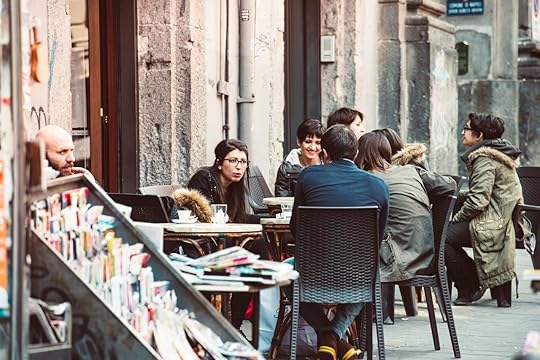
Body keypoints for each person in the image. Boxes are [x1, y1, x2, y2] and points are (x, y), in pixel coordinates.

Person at [290, 125, 389, 360]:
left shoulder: (308, 176)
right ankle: (334, 337)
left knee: (285, 274)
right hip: (360, 272)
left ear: (325, 152)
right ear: (356, 153)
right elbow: (379, 235)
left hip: (312, 270)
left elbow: (296, 227)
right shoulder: (378, 185)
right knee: (368, 277)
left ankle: (327, 336)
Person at [186, 138, 269, 329]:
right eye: (233, 161)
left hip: (224, 239)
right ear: (219, 162)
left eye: (243, 162)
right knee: (254, 251)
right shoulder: (204, 178)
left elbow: (238, 219)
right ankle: (235, 322)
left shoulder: (235, 186)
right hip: (204, 244)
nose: (239, 167)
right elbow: (202, 218)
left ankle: (235, 322)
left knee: (258, 245)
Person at [355, 131, 455, 283]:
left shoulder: (369, 179)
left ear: (360, 153)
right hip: (425, 255)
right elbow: (450, 184)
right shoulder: (410, 170)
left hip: (399, 260)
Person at [445, 112, 522, 307]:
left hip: (491, 223)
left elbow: (478, 201)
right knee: (446, 235)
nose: (463, 133)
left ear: (479, 136)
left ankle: (471, 283)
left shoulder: (484, 159)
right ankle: (478, 279)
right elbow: (482, 192)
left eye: (467, 129)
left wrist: (454, 220)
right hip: (500, 220)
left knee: (441, 238)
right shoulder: (498, 153)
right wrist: (456, 194)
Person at [275, 118, 325, 196]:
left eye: (318, 143)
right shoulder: (286, 169)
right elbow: (281, 201)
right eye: (308, 142)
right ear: (299, 141)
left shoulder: (329, 166)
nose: (313, 147)